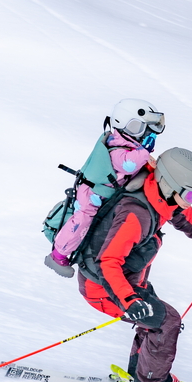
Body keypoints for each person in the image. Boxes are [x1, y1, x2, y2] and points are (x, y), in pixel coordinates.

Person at [75, 147, 192, 382]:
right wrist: (129, 300)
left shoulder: (160, 197)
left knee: (154, 320)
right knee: (167, 322)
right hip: (103, 287)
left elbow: (188, 219)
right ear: (168, 184)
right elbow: (108, 262)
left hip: (128, 282)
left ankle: (140, 376)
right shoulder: (136, 214)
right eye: (190, 194)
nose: (191, 200)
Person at [45, 99, 166, 278]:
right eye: (143, 128)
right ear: (128, 126)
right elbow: (129, 165)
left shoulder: (130, 145)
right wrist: (145, 151)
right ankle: (58, 256)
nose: (147, 134)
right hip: (92, 194)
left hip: (104, 193)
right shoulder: (117, 148)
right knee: (83, 219)